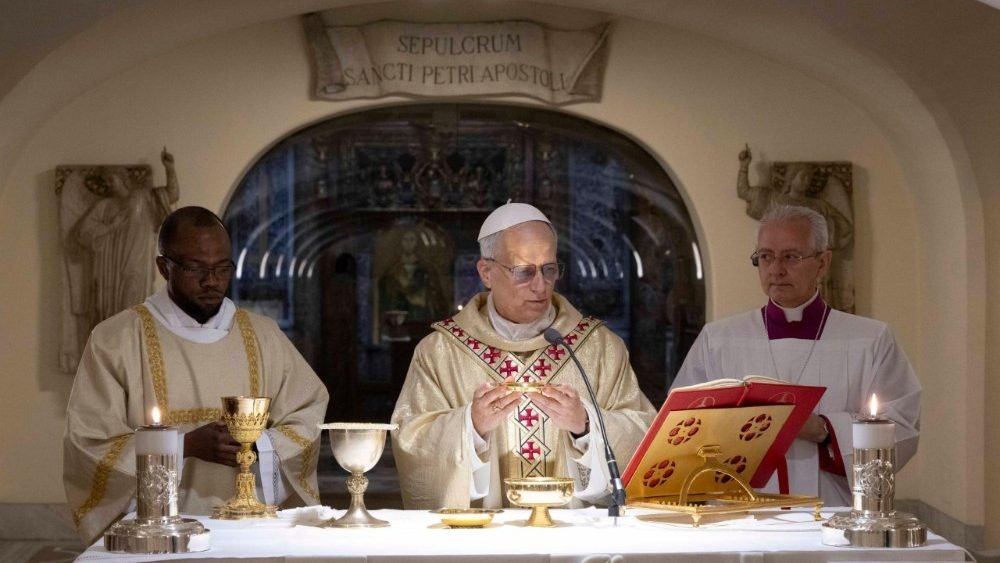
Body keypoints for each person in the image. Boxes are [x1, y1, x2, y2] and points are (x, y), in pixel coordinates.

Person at [64, 206, 329, 544]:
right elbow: (88, 444)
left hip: (249, 532)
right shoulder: (115, 340)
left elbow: (307, 412)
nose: (212, 281)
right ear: (164, 267)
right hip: (157, 537)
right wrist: (184, 445)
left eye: (222, 268)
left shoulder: (264, 337)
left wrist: (259, 445)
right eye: (195, 268)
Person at [391, 202, 655, 509]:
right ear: (486, 272)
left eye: (549, 269)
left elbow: (645, 435)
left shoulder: (599, 347)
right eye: (524, 272)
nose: (540, 286)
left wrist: (585, 424)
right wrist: (470, 426)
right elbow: (411, 440)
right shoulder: (439, 352)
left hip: (574, 542)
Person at [672, 204, 920, 505]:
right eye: (765, 257)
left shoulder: (870, 339)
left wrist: (825, 429)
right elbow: (681, 424)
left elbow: (901, 424)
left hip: (833, 511)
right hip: (739, 511)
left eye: (791, 256)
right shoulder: (719, 339)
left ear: (823, 262)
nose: (776, 269)